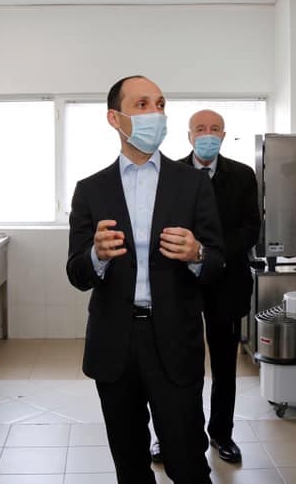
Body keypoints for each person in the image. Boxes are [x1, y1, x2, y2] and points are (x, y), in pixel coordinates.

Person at [67, 75, 225, 484]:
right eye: (142, 105)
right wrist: (96, 256)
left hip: (174, 339)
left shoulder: (192, 184)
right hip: (114, 344)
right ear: (114, 118)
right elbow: (76, 274)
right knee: (130, 465)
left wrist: (197, 253)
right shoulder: (90, 190)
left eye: (160, 104)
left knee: (188, 463)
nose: (155, 113)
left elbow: (217, 263)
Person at [149, 109, 261, 464]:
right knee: (177, 364)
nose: (207, 134)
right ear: (189, 136)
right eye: (200, 129)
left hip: (227, 284)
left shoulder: (242, 175)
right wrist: (189, 255)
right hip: (181, 283)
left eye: (214, 129)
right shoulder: (171, 175)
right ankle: (171, 435)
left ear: (224, 135)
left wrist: (210, 254)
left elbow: (250, 229)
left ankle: (222, 434)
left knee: (225, 366)